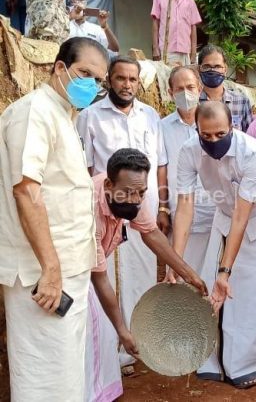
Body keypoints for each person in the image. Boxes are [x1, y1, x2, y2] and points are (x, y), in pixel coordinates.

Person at [0, 37, 108, 401]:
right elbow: (26, 190)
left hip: (64, 272)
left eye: (98, 80)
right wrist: (50, 269)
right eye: (85, 74)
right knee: (44, 379)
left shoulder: (63, 115)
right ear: (59, 68)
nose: (91, 86)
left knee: (64, 374)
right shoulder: (34, 112)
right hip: (42, 276)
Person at [171, 101, 256, 388]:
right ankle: (210, 358)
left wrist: (225, 271)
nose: (213, 141)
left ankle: (250, 361)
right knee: (208, 286)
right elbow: (184, 206)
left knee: (250, 290)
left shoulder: (252, 153)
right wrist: (175, 263)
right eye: (206, 136)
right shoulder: (189, 150)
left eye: (220, 134)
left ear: (232, 126)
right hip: (224, 214)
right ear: (197, 130)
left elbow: (243, 216)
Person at [86, 148, 207, 402]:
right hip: (70, 272)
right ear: (108, 185)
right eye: (129, 193)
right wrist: (122, 330)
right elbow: (100, 279)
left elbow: (151, 233)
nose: (134, 199)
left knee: (101, 334)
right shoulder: (90, 211)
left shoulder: (131, 192)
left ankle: (102, 392)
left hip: (90, 265)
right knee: (93, 333)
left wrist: (188, 273)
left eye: (141, 193)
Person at [76, 55, 170, 370]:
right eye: (120, 78)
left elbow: (159, 164)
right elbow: (86, 167)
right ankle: (111, 349)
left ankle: (136, 342)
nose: (127, 85)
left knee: (141, 275)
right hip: (107, 211)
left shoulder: (151, 116)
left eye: (132, 79)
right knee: (107, 278)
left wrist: (163, 204)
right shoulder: (90, 116)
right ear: (109, 80)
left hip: (142, 209)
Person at [161, 66, 215, 276]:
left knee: (210, 279)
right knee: (180, 277)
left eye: (191, 87)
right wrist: (163, 208)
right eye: (179, 88)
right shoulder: (162, 127)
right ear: (170, 92)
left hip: (213, 216)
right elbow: (161, 170)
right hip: (179, 217)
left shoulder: (213, 124)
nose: (186, 93)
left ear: (200, 88)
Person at [198, 44, 253, 132]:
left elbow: (250, 138)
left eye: (217, 66)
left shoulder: (241, 101)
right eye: (207, 66)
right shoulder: (193, 102)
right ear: (199, 69)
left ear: (225, 69)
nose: (212, 70)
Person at [151, 0, 201, 66]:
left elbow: (193, 27)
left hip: (185, 52)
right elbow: (155, 23)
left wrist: (193, 54)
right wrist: (155, 49)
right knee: (167, 76)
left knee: (184, 76)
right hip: (166, 51)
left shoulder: (189, 1)